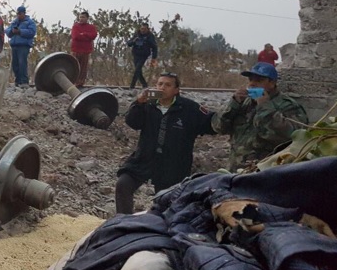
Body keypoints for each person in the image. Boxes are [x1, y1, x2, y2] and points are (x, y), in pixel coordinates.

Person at [115, 72, 215, 214]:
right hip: (145, 158)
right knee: (123, 184)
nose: (162, 88)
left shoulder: (189, 108)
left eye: (167, 85)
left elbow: (212, 124)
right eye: (160, 84)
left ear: (176, 90)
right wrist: (138, 103)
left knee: (165, 202)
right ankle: (122, 222)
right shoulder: (147, 104)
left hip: (172, 165)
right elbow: (133, 122)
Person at [212, 62, 308, 171]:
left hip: (266, 171)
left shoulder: (288, 106)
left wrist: (264, 107)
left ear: (272, 83)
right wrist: (233, 104)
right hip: (236, 170)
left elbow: (290, 137)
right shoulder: (244, 102)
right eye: (250, 80)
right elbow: (219, 127)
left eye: (259, 80)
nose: (252, 84)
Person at [5, 5, 37, 87]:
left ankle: (24, 81)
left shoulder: (30, 22)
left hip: (23, 46)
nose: (19, 15)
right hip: (14, 45)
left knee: (22, 63)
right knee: (15, 64)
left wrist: (20, 31)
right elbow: (7, 30)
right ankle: (17, 80)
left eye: (20, 14)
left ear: (24, 13)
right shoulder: (15, 22)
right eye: (18, 14)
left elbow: (31, 32)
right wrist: (12, 31)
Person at [70, 11, 98, 87]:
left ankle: (80, 83)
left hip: (85, 51)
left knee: (83, 68)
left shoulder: (91, 27)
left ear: (87, 18)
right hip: (76, 50)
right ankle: (72, 82)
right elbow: (75, 36)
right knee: (74, 66)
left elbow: (93, 35)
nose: (81, 19)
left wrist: (84, 34)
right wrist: (86, 36)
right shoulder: (75, 26)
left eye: (83, 17)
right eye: (80, 17)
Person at [126, 23, 158, 89]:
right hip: (136, 54)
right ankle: (144, 85)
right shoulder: (137, 34)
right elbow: (129, 43)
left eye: (144, 29)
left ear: (147, 29)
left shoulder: (150, 36)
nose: (142, 30)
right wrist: (134, 41)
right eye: (141, 29)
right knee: (138, 71)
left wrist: (154, 57)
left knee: (137, 69)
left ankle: (132, 86)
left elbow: (154, 47)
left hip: (144, 55)